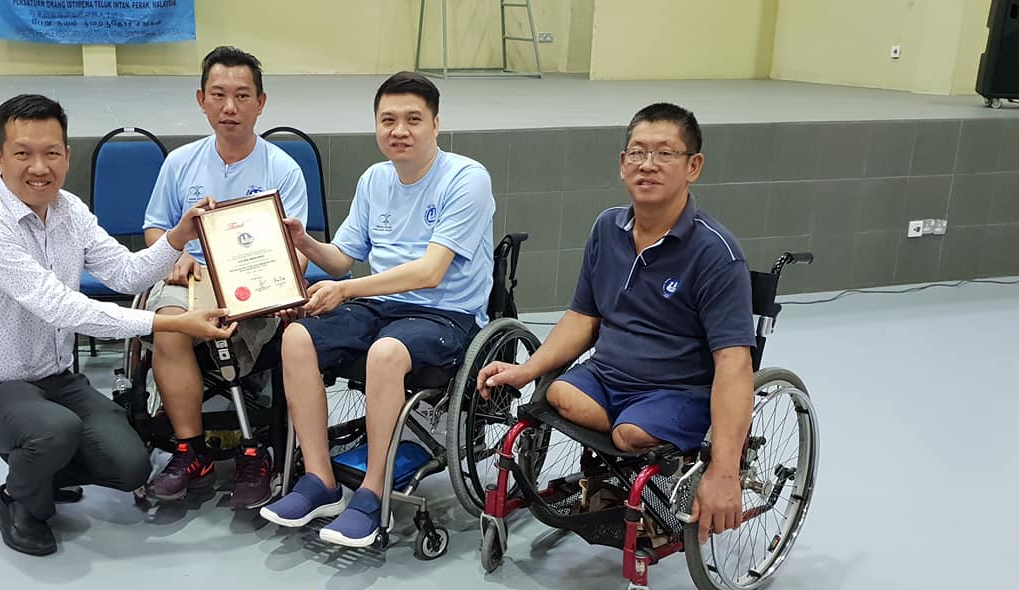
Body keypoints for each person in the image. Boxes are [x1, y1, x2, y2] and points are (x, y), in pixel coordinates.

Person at [0, 94, 235, 557]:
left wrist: (179, 236)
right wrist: (171, 323)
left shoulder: (70, 210)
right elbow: (61, 308)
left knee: (130, 465)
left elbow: (126, 274)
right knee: (52, 430)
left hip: (55, 379)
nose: (39, 167)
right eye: (23, 153)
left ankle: (45, 468)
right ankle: (18, 500)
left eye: (51, 153)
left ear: (67, 155)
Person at [476, 102, 755, 544]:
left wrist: (724, 469)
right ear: (623, 163)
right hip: (609, 377)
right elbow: (581, 318)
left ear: (693, 166)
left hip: (677, 389)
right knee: (557, 393)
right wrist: (525, 370)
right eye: (637, 152)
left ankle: (634, 448)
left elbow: (734, 364)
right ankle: (620, 453)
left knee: (629, 433)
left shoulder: (716, 253)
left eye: (665, 153)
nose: (648, 164)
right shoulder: (607, 228)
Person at [259, 71, 495, 548]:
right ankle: (320, 480)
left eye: (413, 119)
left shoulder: (467, 179)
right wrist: (305, 242)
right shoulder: (374, 179)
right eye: (388, 120)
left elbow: (429, 272)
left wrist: (346, 290)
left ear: (435, 124)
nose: (399, 130)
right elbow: (341, 260)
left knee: (385, 352)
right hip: (380, 306)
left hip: (446, 315)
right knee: (297, 336)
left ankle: (371, 493)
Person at [140, 45, 309, 510]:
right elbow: (155, 228)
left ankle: (255, 450)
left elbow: (296, 249)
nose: (229, 107)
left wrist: (279, 283)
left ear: (261, 102)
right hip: (192, 277)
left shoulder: (283, 169)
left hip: (253, 281)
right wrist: (175, 254)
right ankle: (190, 450)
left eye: (241, 95)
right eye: (218, 94)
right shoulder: (180, 163)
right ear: (201, 100)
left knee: (241, 322)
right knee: (171, 323)